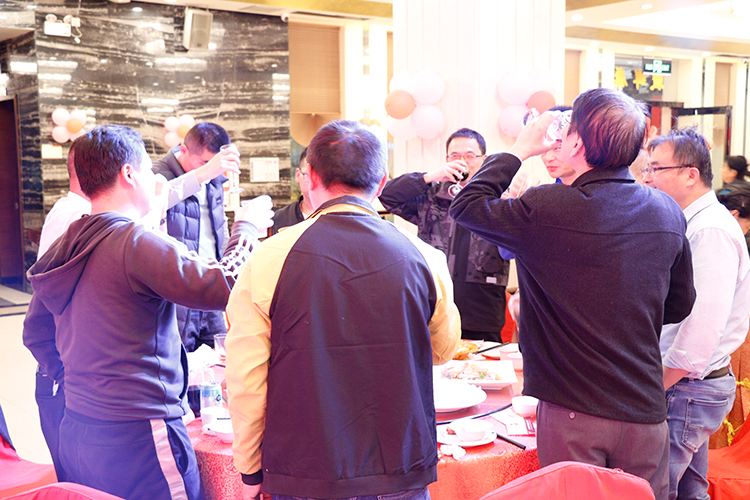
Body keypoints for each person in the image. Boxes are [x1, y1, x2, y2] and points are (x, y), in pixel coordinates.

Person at [449, 88, 696, 500]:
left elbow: (466, 206)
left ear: (577, 143)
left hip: (572, 410)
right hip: (645, 411)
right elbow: (679, 304)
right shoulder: (666, 210)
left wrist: (519, 148)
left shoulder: (548, 207)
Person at [23, 124, 273, 500]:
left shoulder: (68, 242)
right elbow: (225, 284)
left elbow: (36, 332)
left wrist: (82, 384)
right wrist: (248, 228)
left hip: (78, 427)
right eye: (148, 170)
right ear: (129, 173)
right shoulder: (134, 241)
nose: (156, 182)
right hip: (139, 434)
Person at [225, 120, 461, 500]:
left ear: (311, 176)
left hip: (303, 472)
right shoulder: (424, 256)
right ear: (382, 182)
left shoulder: (269, 257)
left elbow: (246, 379)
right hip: (399, 471)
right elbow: (442, 350)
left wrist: (250, 469)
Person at [643, 127, 750, 500]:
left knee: (660, 489)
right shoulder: (691, 221)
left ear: (690, 174)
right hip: (686, 383)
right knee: (690, 489)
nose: (647, 178)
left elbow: (700, 331)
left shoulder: (710, 230)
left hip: (687, 384)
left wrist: (655, 385)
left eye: (656, 168)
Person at [379, 127, 510, 343]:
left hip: (482, 310)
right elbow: (387, 196)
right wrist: (430, 177)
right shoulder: (432, 196)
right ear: (447, 159)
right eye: (455, 155)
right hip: (433, 304)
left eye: (470, 156)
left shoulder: (499, 200)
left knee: (483, 363)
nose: (463, 161)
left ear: (484, 160)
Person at [152, 122, 242, 351]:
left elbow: (218, 228)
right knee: (180, 358)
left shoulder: (215, 180)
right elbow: (154, 205)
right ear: (183, 150)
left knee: (221, 356)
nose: (213, 169)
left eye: (216, 163)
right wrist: (204, 173)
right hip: (178, 292)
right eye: (205, 162)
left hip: (210, 286)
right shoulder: (158, 175)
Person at [271, 147, 314, 234]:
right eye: (308, 175)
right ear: (297, 175)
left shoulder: (338, 217)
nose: (314, 181)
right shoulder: (281, 217)